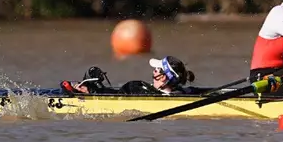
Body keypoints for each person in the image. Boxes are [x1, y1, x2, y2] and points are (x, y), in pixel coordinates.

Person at [60, 55, 204, 95]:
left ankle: (88, 91)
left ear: (164, 77)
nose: (152, 72)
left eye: (156, 70)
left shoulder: (141, 89)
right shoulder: (182, 91)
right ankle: (91, 89)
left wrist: (95, 91)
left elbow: (118, 97)